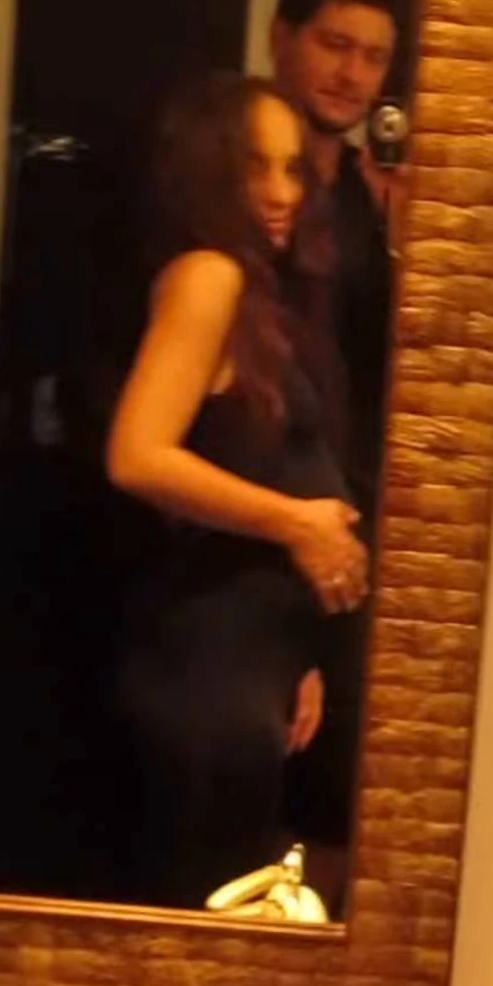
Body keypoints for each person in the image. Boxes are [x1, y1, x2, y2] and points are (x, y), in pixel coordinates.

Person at [107, 73, 368, 910]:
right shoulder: (208, 275)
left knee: (233, 903)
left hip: (252, 666)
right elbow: (137, 455)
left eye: (294, 168)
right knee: (208, 920)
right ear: (207, 169)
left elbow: (260, 457)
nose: (283, 192)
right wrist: (298, 525)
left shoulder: (262, 291)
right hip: (204, 671)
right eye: (256, 167)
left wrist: (298, 653)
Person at [270, 0, 402, 875]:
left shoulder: (361, 194)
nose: (352, 73)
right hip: (254, 507)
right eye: (333, 44)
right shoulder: (242, 179)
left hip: (346, 504)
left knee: (339, 762)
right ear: (282, 36)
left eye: (373, 57)